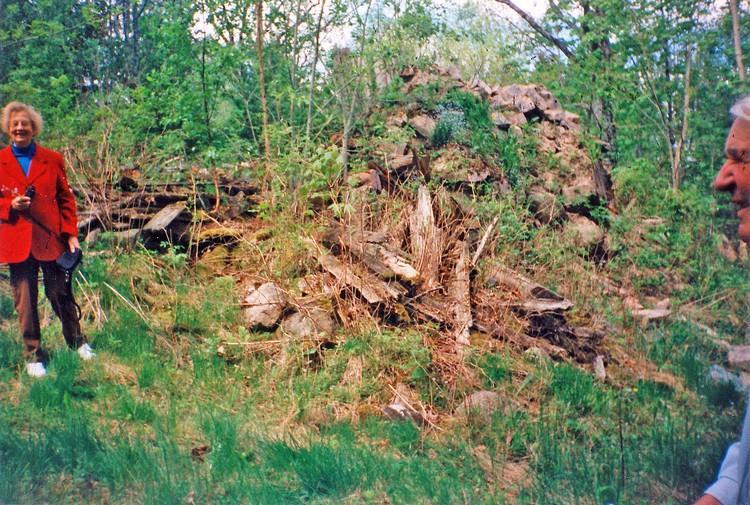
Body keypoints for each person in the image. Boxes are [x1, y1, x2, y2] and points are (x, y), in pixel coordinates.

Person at [0, 101, 94, 378]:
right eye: (15, 124)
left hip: (50, 239)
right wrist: (8, 206)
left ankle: (77, 342)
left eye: (25, 124)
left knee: (60, 293)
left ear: (34, 128)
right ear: (8, 128)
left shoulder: (52, 159)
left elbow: (66, 199)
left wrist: (72, 234)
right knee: (25, 300)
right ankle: (33, 355)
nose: (20, 128)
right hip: (17, 241)